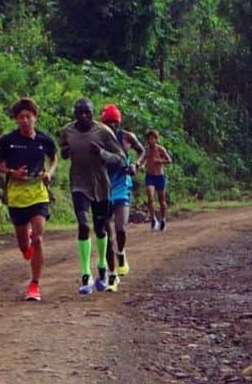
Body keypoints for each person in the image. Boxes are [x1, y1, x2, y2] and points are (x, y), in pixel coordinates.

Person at [59, 97, 127, 294]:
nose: (83, 116)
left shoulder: (103, 132)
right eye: (79, 113)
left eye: (87, 113)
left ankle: (103, 267)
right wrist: (65, 151)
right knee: (83, 225)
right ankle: (85, 274)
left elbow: (121, 158)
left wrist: (102, 154)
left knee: (100, 228)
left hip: (101, 185)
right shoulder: (67, 131)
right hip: (79, 183)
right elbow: (63, 150)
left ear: (92, 113)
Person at [0, 97, 58, 302]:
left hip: (39, 194)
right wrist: (13, 172)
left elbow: (54, 158)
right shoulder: (8, 141)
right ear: (16, 119)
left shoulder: (44, 140)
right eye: (21, 117)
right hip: (16, 196)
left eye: (28, 116)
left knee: (38, 238)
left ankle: (34, 285)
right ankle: (27, 247)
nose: (25, 120)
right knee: (24, 245)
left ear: (35, 118)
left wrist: (49, 173)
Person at [99, 104, 144, 291]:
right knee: (108, 236)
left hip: (122, 186)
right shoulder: (98, 138)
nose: (112, 126)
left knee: (120, 228)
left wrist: (136, 165)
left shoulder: (127, 137)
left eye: (115, 122)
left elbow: (142, 151)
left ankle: (121, 253)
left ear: (119, 122)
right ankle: (112, 275)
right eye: (108, 122)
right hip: (103, 187)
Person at [139, 128, 174, 231]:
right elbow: (144, 160)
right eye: (149, 139)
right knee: (150, 197)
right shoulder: (147, 150)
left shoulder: (160, 149)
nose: (151, 141)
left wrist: (160, 161)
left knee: (161, 200)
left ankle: (163, 219)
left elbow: (169, 160)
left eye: (153, 138)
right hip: (150, 176)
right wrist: (142, 165)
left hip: (160, 176)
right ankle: (153, 218)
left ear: (156, 139)